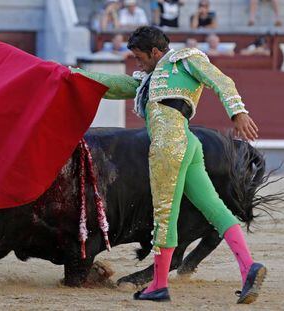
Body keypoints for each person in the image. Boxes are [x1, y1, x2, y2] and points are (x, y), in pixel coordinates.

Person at [71, 26, 265, 304]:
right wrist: (73, 75)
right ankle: (249, 268)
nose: (138, 64)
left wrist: (238, 112)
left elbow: (221, 80)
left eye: (140, 58)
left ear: (155, 52)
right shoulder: (149, 79)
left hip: (168, 144)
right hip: (188, 142)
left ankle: (159, 285)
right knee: (214, 208)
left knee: (164, 214)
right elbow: (110, 84)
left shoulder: (186, 59)